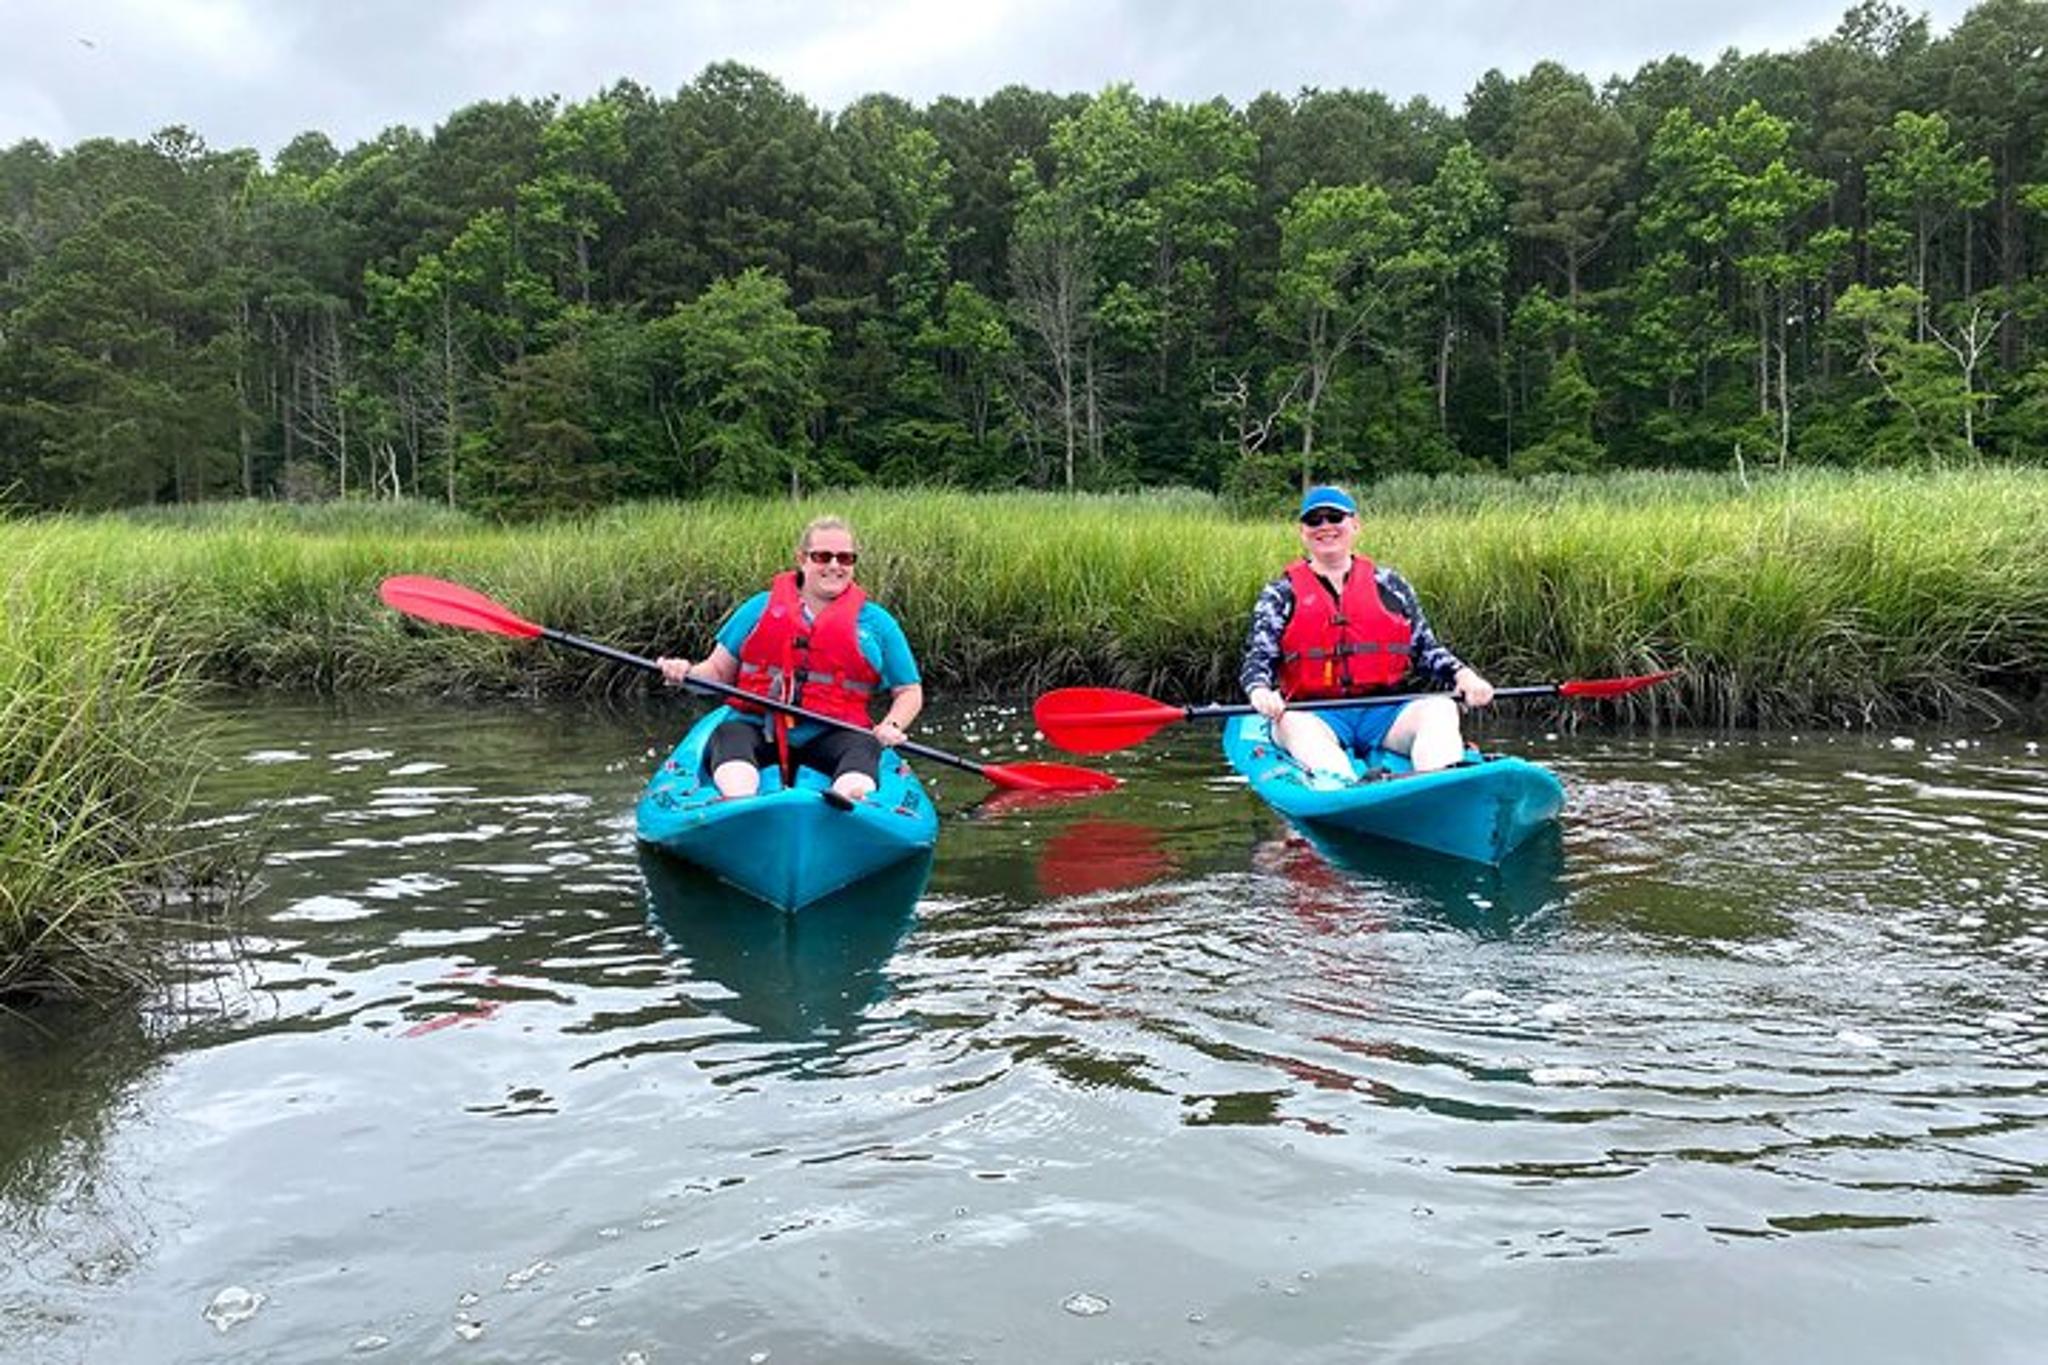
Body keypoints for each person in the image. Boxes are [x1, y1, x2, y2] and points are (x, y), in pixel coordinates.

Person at [657, 516, 924, 808]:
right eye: (822, 556)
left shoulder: (877, 623)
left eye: (845, 558)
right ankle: (738, 802)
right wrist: (685, 673)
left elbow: (909, 690)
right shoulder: (759, 608)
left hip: (833, 734)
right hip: (759, 728)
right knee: (729, 734)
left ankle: (848, 800)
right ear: (802, 559)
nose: (834, 566)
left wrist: (892, 724)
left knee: (864, 745)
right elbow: (718, 672)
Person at [1240, 484, 1494, 779]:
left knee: (1440, 709)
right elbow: (1257, 658)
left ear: (1355, 524)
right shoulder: (1281, 593)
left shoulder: (1390, 585)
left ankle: (1441, 781)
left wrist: (1464, 675)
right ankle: (1343, 788)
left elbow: (1426, 648)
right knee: (1293, 724)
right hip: (1312, 713)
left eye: (1335, 517)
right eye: (1314, 520)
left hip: (1384, 711)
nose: (1325, 527)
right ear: (1302, 532)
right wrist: (1259, 690)